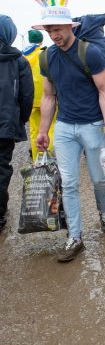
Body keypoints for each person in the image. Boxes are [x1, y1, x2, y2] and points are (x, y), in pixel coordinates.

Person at [33, 0, 105, 262]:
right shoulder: (47, 58)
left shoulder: (89, 53)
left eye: (57, 29)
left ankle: (104, 211)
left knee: (98, 179)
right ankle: (75, 237)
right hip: (65, 128)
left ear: (71, 27)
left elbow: (104, 90)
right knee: (68, 183)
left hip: (92, 126)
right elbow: (48, 96)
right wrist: (43, 130)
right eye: (49, 31)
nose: (53, 35)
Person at [0, 15, 34, 233]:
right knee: (2, 168)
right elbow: (26, 96)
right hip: (5, 124)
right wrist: (19, 119)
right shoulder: (19, 60)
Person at [22, 29, 56, 159]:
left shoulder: (23, 55)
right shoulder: (45, 53)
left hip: (29, 99)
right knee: (50, 127)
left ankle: (38, 157)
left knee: (34, 130)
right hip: (46, 97)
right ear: (41, 40)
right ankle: (50, 157)